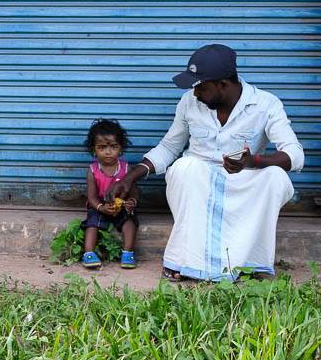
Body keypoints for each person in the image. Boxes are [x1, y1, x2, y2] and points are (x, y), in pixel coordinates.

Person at [106, 44, 303, 282]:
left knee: (276, 177)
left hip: (242, 184)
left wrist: (254, 161)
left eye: (201, 86)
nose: (195, 92)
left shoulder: (266, 104)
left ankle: (246, 263)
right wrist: (129, 177)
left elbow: (295, 154)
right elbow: (169, 147)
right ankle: (185, 260)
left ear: (223, 84)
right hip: (198, 182)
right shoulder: (189, 102)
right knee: (183, 168)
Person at [80, 118, 139, 269]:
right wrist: (101, 207)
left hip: (121, 206)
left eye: (113, 147)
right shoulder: (92, 171)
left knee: (129, 223)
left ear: (121, 148)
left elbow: (134, 192)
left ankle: (128, 252)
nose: (108, 152)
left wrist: (132, 202)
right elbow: (92, 197)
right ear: (94, 149)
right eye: (102, 147)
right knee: (92, 224)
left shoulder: (126, 169)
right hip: (99, 206)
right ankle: (89, 253)